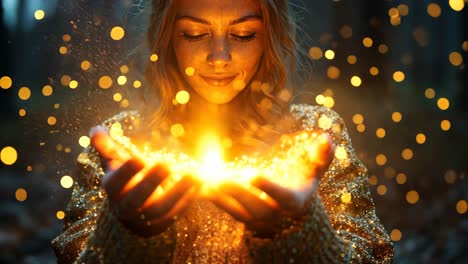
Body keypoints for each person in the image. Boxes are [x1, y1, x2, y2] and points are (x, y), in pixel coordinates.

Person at [52, 0, 394, 263]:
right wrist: (129, 231)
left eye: (243, 34)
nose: (219, 56)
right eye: (195, 33)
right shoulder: (123, 144)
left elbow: (368, 255)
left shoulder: (313, 137)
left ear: (270, 36)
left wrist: (297, 231)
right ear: (167, 35)